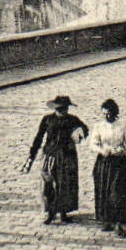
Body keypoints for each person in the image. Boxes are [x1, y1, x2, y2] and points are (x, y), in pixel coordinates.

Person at [24, 95, 89, 224]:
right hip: (50, 155)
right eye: (60, 108)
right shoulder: (47, 120)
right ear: (55, 108)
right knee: (48, 184)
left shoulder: (72, 120)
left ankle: (64, 212)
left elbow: (85, 130)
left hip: (67, 156)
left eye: (65, 108)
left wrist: (79, 133)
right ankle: (50, 212)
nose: (63, 111)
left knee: (65, 185)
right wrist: (31, 155)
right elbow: (39, 137)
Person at [87, 98, 126, 237]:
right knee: (104, 191)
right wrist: (101, 150)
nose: (106, 116)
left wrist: (123, 150)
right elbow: (93, 144)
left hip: (119, 163)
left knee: (118, 192)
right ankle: (106, 220)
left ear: (114, 113)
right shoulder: (98, 126)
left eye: (109, 114)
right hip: (103, 163)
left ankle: (119, 223)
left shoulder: (122, 126)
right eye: (104, 114)